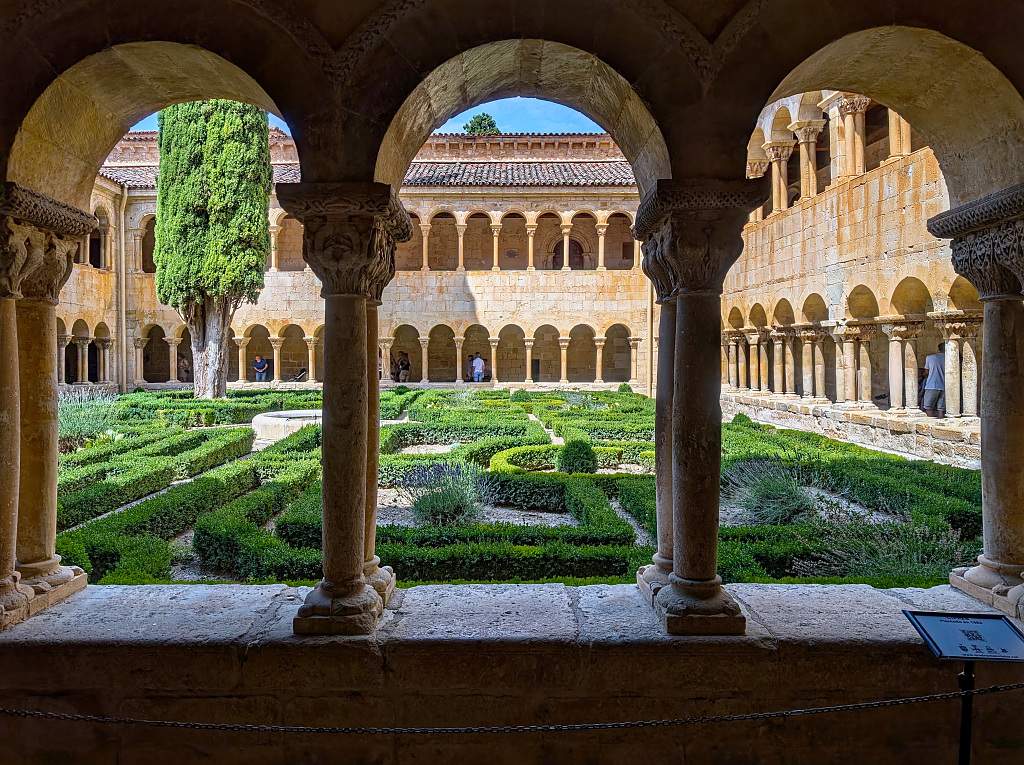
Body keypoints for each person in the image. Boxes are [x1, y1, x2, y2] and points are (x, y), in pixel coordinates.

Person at [921, 342, 946, 417]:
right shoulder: (949, 358)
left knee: (928, 408)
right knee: (941, 409)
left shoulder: (930, 357)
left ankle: (930, 422)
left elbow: (926, 372)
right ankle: (941, 421)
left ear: (938, 349)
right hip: (944, 386)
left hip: (932, 385)